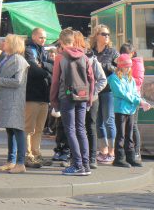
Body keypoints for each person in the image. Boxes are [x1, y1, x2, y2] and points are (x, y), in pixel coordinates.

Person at [50, 28, 95, 176]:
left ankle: (77, 165)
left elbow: (55, 81)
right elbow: (91, 79)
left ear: (61, 42)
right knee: (81, 130)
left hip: (67, 96)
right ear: (74, 41)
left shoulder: (60, 57)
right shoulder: (84, 57)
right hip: (82, 96)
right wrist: (89, 98)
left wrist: (53, 100)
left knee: (70, 130)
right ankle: (86, 164)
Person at [0, 34, 30, 174]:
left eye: (6, 41)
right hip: (7, 99)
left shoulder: (19, 60)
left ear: (13, 44)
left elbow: (18, 82)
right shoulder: (6, 57)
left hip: (14, 100)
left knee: (17, 130)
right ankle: (11, 160)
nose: (3, 42)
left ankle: (20, 162)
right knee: (10, 131)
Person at [108, 54, 151, 167]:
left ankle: (130, 157)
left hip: (130, 110)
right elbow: (121, 93)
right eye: (126, 66)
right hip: (121, 109)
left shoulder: (130, 79)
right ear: (120, 66)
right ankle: (119, 158)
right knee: (121, 135)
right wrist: (138, 101)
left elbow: (134, 93)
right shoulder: (114, 78)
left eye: (129, 66)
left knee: (129, 134)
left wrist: (141, 101)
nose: (128, 68)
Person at [74, 32, 107, 170]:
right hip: (76, 99)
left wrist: (92, 94)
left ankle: (92, 157)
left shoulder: (92, 60)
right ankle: (79, 156)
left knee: (90, 127)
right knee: (77, 128)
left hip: (91, 100)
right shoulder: (71, 59)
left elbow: (102, 80)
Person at [24, 28, 53, 168]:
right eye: (41, 37)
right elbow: (33, 69)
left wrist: (45, 66)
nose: (44, 40)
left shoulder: (43, 51)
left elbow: (52, 66)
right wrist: (48, 73)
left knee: (39, 128)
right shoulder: (29, 49)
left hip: (43, 95)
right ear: (34, 36)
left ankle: (36, 153)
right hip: (32, 95)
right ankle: (28, 155)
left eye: (45, 38)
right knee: (29, 128)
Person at [90, 24, 119, 164]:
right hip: (95, 90)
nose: (107, 36)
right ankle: (103, 150)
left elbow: (121, 70)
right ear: (96, 36)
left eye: (108, 34)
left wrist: (105, 66)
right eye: (103, 34)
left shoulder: (113, 52)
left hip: (108, 90)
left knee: (109, 120)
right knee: (98, 122)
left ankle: (112, 152)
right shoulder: (91, 52)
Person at [119, 43, 144, 162]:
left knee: (133, 125)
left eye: (127, 54)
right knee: (126, 126)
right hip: (126, 97)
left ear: (132, 53)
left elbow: (139, 80)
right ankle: (128, 151)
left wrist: (125, 77)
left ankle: (137, 151)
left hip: (134, 97)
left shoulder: (137, 63)